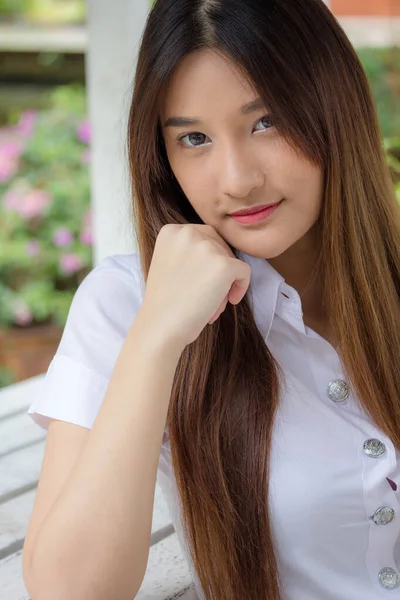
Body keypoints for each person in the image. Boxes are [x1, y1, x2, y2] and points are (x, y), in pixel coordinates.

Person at [22, 0, 400, 598]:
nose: (237, 179)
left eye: (266, 122)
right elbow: (70, 591)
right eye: (193, 138)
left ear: (336, 109)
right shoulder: (126, 303)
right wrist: (157, 337)